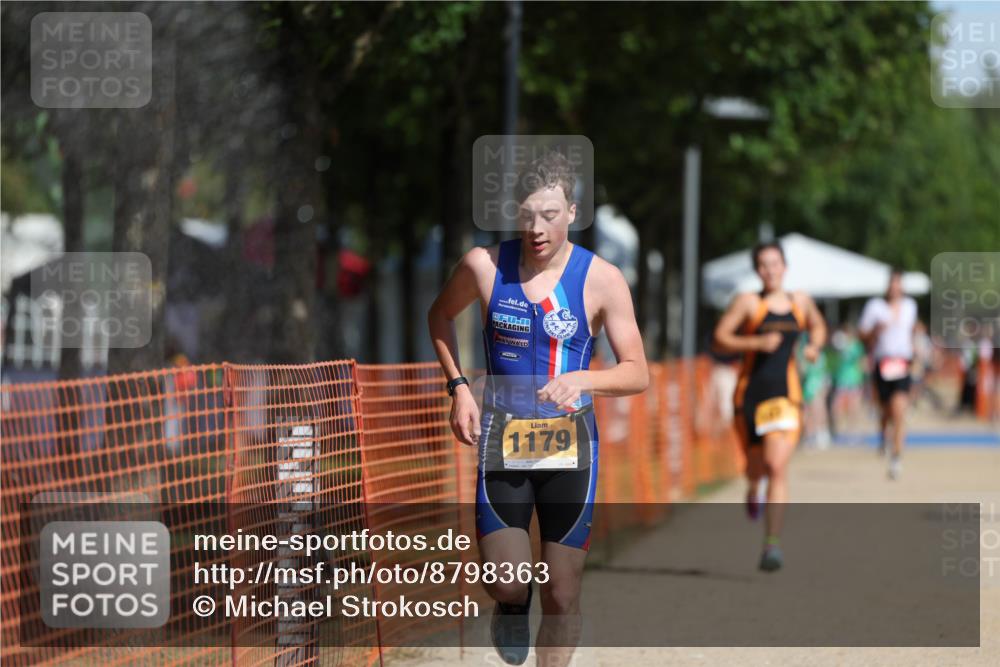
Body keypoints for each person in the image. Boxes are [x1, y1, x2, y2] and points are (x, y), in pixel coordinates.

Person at [427, 152, 648, 666]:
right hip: (504, 442)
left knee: (563, 594)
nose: (537, 228)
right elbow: (439, 315)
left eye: (549, 215)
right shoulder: (484, 267)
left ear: (572, 211)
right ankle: (510, 605)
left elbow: (637, 371)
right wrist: (458, 386)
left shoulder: (602, 278)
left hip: (572, 448)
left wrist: (583, 378)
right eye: (527, 216)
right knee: (506, 582)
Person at [713, 241, 826, 572]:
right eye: (763, 265)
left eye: (775, 263)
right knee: (756, 467)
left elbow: (818, 326)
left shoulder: (799, 301)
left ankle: (771, 545)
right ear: (757, 270)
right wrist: (755, 342)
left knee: (777, 466)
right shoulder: (748, 303)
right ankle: (752, 486)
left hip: (785, 397)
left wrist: (815, 346)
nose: (770, 270)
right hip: (749, 396)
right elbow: (720, 337)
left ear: (784, 267)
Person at [858, 269, 918, 480]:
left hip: (902, 363)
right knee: (885, 411)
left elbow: (911, 332)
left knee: (899, 410)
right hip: (882, 363)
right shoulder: (875, 307)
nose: (895, 287)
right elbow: (862, 334)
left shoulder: (910, 306)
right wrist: (875, 331)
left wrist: (915, 354)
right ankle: (883, 437)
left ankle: (896, 457)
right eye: (892, 283)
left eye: (898, 283)